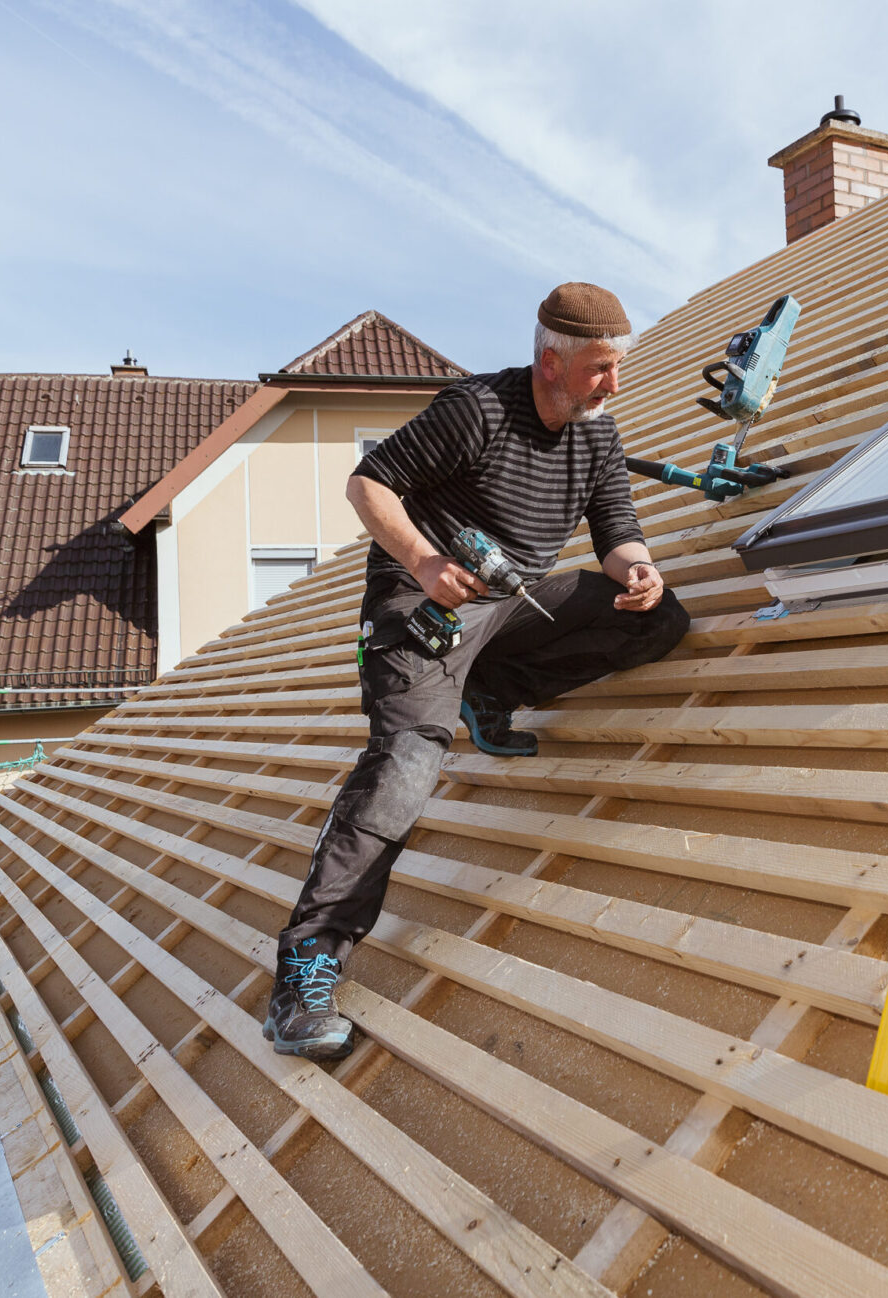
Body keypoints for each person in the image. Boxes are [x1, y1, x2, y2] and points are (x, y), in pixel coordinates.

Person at [264, 282, 688, 1060]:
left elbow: (617, 529)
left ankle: (493, 688)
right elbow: (368, 481)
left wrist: (639, 572)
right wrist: (424, 562)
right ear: (550, 362)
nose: (613, 384)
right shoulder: (479, 410)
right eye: (600, 369)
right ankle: (305, 970)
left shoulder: (597, 436)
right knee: (404, 766)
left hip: (510, 600)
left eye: (617, 368)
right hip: (421, 604)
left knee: (660, 620)